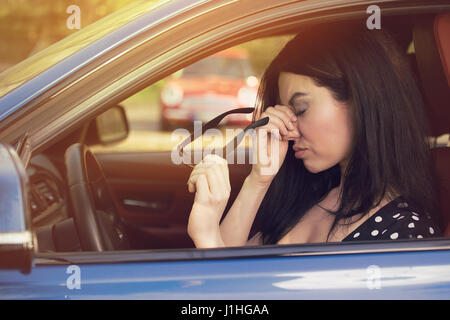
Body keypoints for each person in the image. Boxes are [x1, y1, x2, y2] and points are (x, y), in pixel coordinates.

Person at [185, 22, 443, 248]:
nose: (290, 129)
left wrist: (208, 239)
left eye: (301, 109)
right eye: (287, 112)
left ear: (359, 102)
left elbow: (227, 294)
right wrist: (258, 180)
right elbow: (233, 274)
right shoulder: (313, 193)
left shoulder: (406, 233)